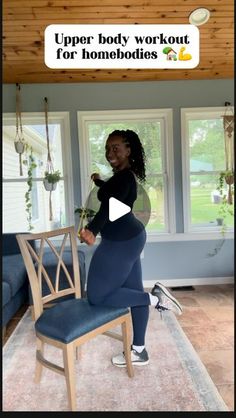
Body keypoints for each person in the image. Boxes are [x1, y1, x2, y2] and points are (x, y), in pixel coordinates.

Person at [79, 129, 182, 367]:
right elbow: (110, 194)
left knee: (97, 295)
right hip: (131, 237)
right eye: (107, 148)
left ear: (128, 151)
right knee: (134, 294)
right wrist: (97, 181)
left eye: (116, 147)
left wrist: (92, 230)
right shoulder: (123, 177)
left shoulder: (123, 178)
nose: (110, 152)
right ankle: (139, 350)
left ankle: (156, 299)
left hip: (120, 242)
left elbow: (109, 206)